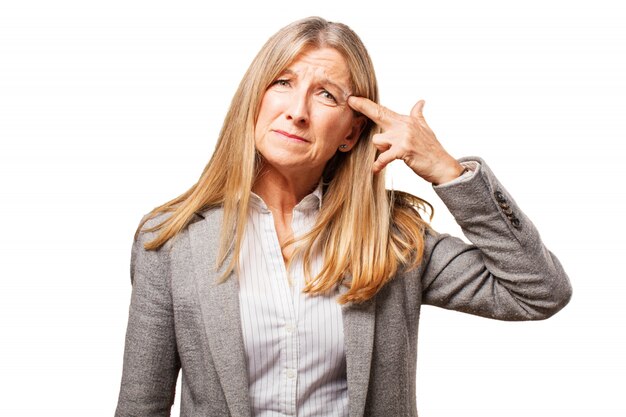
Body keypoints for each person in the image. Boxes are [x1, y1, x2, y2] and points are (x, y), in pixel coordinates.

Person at [115, 16, 572, 417]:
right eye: (282, 83)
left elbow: (538, 292)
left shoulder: (393, 238)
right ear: (255, 99)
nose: (296, 112)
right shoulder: (170, 239)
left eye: (326, 95)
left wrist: (448, 172)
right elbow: (142, 406)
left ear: (352, 133)